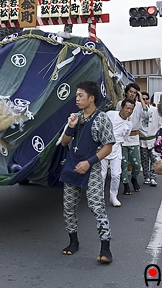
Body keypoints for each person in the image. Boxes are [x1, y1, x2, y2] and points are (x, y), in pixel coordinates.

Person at [59, 80, 115, 263]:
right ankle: (73, 242)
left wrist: (89, 163)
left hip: (91, 167)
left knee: (96, 206)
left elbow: (108, 147)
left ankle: (105, 248)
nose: (77, 98)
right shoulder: (75, 116)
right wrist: (71, 126)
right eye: (76, 95)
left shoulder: (102, 118)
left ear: (91, 98)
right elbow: (65, 142)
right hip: (72, 166)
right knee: (69, 207)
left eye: (80, 95)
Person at [101, 99, 134, 207]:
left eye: (131, 109)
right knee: (102, 174)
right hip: (103, 147)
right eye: (127, 108)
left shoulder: (129, 124)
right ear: (121, 107)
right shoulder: (110, 114)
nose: (129, 111)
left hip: (117, 148)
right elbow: (101, 124)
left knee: (116, 175)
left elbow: (125, 137)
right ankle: (99, 197)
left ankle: (113, 196)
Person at [116, 83, 148, 194]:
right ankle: (125, 184)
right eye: (131, 92)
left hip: (134, 138)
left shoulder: (139, 105)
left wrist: (141, 97)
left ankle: (134, 178)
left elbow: (146, 115)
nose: (132, 94)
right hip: (123, 138)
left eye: (135, 92)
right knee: (123, 163)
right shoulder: (120, 103)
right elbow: (117, 118)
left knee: (136, 163)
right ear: (126, 92)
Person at [139, 92, 160, 187]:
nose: (145, 100)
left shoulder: (155, 110)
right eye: (143, 99)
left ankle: (153, 177)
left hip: (153, 139)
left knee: (154, 159)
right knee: (144, 160)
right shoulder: (137, 109)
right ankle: (146, 176)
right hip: (142, 139)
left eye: (146, 98)